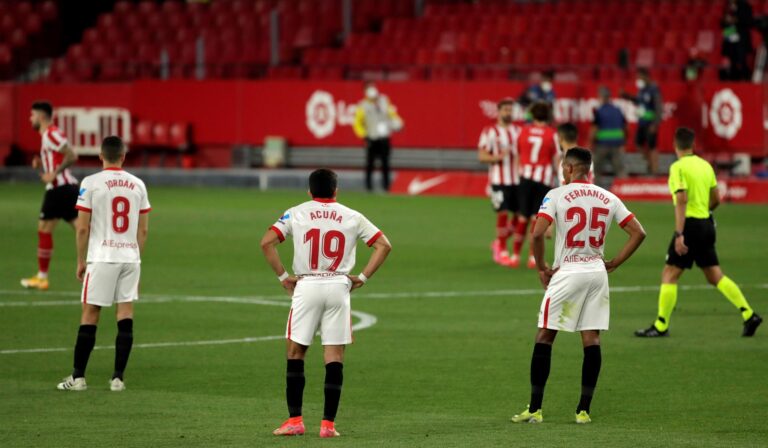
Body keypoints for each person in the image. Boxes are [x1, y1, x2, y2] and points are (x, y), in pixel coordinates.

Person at [511, 147, 646, 424]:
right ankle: (583, 411)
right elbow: (638, 232)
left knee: (545, 336)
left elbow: (537, 234)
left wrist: (541, 267)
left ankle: (535, 409)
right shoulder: (608, 197)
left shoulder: (556, 195)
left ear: (570, 168)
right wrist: (615, 262)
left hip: (568, 272)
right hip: (597, 273)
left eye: (564, 167)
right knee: (591, 339)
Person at [261, 168, 392, 438]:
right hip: (338, 286)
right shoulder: (352, 215)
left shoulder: (296, 212)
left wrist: (284, 278)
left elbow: (266, 243)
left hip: (307, 286)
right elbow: (384, 245)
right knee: (334, 356)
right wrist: (362, 278)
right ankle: (328, 426)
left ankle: (295, 421)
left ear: (309, 191)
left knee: (295, 353)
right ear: (336, 190)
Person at [635, 128, 762, 337]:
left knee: (669, 274)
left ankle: (661, 325)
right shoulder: (705, 166)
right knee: (715, 275)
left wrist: (679, 234)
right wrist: (706, 212)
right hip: (706, 225)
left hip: (690, 226)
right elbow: (717, 198)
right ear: (693, 145)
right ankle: (749, 314)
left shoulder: (678, 167)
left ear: (675, 146)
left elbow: (681, 198)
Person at [56, 136, 151, 392]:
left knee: (90, 313)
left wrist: (80, 260)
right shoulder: (138, 184)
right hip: (130, 258)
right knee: (125, 314)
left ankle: (78, 378)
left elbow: (82, 227)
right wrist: (136, 257)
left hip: (101, 257)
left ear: (100, 155)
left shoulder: (90, 183)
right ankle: (118, 378)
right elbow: (143, 231)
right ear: (123, 156)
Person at [20, 101, 79, 291]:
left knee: (44, 229)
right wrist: (42, 164)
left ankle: (42, 277)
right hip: (66, 188)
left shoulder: (50, 133)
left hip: (59, 189)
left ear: (41, 116)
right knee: (83, 230)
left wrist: (54, 173)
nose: (30, 119)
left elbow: (71, 155)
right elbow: (59, 157)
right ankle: (107, 267)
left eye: (32, 115)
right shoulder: (51, 133)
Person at [513, 102, 560, 269]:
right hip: (543, 179)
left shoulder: (523, 131)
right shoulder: (552, 134)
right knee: (535, 218)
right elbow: (556, 158)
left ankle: (515, 255)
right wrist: (559, 180)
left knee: (522, 217)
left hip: (525, 177)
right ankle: (532, 257)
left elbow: (517, 154)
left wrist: (519, 174)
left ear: (532, 115)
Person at [478, 98, 521, 267]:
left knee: (520, 216)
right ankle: (502, 250)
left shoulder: (518, 131)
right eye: (505, 110)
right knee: (502, 213)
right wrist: (498, 157)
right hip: (498, 180)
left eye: (511, 110)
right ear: (499, 112)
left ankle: (498, 241)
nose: (508, 113)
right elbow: (482, 156)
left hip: (517, 179)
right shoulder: (490, 131)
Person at [352, 82, 404, 192]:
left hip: (384, 137)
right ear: (365, 92)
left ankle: (386, 186)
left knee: (385, 163)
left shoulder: (384, 101)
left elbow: (391, 115)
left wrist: (398, 123)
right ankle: (369, 186)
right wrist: (364, 135)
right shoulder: (362, 106)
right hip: (371, 137)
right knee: (370, 163)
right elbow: (357, 123)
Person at [623, 68, 662, 176]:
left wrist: (655, 124)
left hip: (650, 123)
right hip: (642, 123)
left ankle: (655, 170)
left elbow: (658, 107)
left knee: (652, 146)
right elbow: (638, 101)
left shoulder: (654, 90)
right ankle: (649, 163)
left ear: (646, 77)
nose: (638, 79)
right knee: (639, 144)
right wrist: (627, 97)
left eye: (640, 77)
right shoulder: (641, 90)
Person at [590, 87, 627, 187]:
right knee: (619, 169)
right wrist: (623, 142)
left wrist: (590, 143)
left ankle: (596, 189)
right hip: (617, 144)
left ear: (602, 97)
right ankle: (625, 188)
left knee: (596, 168)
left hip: (602, 145)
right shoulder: (617, 110)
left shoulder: (599, 111)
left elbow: (594, 129)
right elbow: (625, 127)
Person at [720, 0, 754, 81]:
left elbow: (749, 21)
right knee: (732, 60)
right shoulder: (728, 5)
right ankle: (733, 79)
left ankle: (745, 79)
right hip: (730, 35)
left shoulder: (745, 6)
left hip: (741, 38)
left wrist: (735, 19)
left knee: (742, 60)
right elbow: (722, 22)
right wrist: (726, 20)